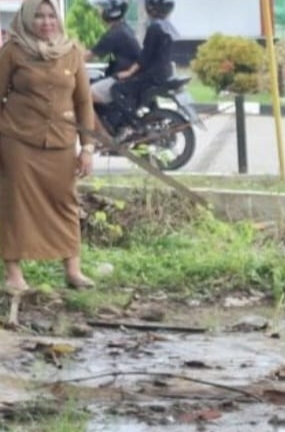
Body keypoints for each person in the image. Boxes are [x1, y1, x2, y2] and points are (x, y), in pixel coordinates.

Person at [0, 0, 96, 294]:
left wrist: (88, 147)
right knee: (15, 203)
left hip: (60, 142)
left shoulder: (71, 52)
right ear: (27, 19)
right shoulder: (13, 51)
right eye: (38, 16)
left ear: (58, 19)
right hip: (18, 140)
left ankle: (73, 269)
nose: (45, 22)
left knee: (65, 201)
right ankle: (14, 273)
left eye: (50, 15)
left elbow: (83, 102)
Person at [109, 0, 176, 132]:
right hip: (164, 72)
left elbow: (144, 57)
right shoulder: (167, 27)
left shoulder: (154, 28)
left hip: (152, 75)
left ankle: (133, 124)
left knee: (116, 89)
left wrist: (128, 72)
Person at [86, 0, 140, 107]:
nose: (99, 12)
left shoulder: (114, 34)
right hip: (131, 76)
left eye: (101, 8)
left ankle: (96, 124)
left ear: (110, 12)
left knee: (86, 93)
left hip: (124, 78)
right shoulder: (124, 28)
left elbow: (88, 55)